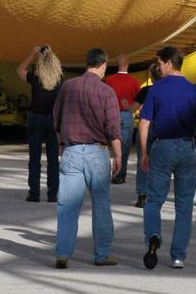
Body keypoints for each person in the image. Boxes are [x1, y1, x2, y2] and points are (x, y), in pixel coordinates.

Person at [138, 45, 196, 270]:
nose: (158, 67)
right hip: (187, 148)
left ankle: (153, 235)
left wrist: (144, 152)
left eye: (159, 63)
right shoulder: (193, 90)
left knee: (153, 200)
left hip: (162, 147)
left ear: (169, 63)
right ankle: (178, 255)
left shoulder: (156, 89)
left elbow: (144, 123)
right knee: (184, 204)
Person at [52, 47, 122, 269]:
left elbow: (57, 120)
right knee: (101, 205)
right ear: (103, 65)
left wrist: (61, 146)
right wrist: (118, 155)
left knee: (67, 205)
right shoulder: (106, 92)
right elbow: (113, 128)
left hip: (72, 151)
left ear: (87, 63)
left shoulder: (67, 87)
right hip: (97, 152)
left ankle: (63, 253)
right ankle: (101, 254)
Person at [17, 43, 63, 202]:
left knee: (34, 158)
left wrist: (33, 54)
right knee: (53, 159)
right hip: (53, 120)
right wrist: (50, 53)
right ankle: (53, 194)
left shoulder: (35, 77)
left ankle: (34, 193)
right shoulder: (59, 79)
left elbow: (20, 70)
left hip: (35, 118)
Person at [105, 53, 140, 184]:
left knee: (108, 145)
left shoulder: (109, 80)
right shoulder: (135, 81)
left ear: (117, 64)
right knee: (124, 147)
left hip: (111, 114)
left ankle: (107, 173)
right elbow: (138, 101)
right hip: (127, 114)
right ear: (128, 64)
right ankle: (120, 175)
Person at [133, 62, 160, 207]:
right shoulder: (164, 90)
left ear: (151, 76)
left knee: (142, 161)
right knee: (158, 163)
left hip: (144, 127)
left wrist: (126, 106)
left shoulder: (145, 90)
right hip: (159, 128)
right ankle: (154, 194)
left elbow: (133, 108)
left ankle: (142, 195)